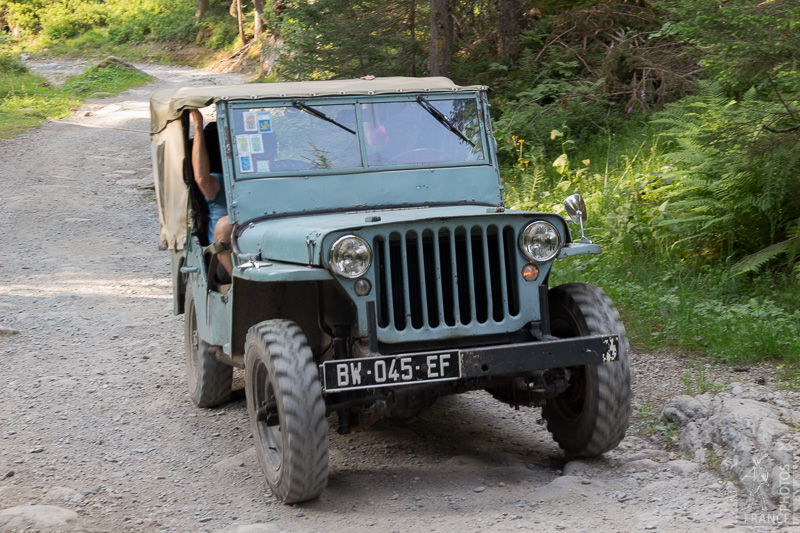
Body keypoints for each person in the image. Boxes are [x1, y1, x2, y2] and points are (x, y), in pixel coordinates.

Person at [190, 109, 233, 277]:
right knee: (226, 224)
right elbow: (201, 178)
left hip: (264, 253)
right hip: (226, 259)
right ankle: (240, 286)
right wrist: (198, 126)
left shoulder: (269, 179)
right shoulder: (219, 182)